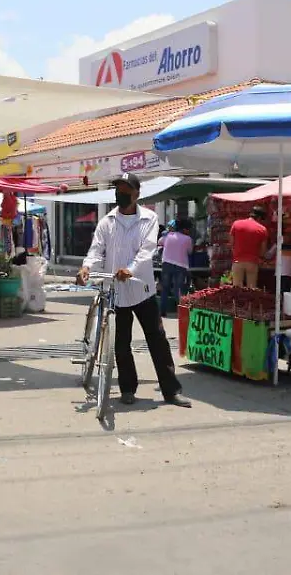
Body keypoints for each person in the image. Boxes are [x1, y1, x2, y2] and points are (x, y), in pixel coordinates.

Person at [76, 173, 191, 408]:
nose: (120, 193)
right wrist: (87, 267)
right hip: (115, 291)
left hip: (142, 288)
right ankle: (128, 388)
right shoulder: (106, 222)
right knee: (120, 342)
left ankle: (171, 391)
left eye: (126, 189)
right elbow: (96, 250)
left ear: (137, 193)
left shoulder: (149, 218)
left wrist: (129, 270)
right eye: (118, 188)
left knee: (157, 340)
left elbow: (146, 251)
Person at [158, 220, 193, 316]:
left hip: (166, 264)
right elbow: (190, 251)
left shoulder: (168, 236)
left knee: (165, 288)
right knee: (178, 289)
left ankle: (162, 311)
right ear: (185, 229)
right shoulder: (187, 239)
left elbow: (159, 242)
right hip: (181, 265)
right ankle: (181, 312)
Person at [230, 206, 269, 288]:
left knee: (236, 289)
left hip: (238, 261)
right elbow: (263, 252)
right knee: (251, 290)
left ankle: (237, 301)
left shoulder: (236, 224)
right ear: (259, 218)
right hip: (252, 262)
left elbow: (231, 243)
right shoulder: (262, 229)